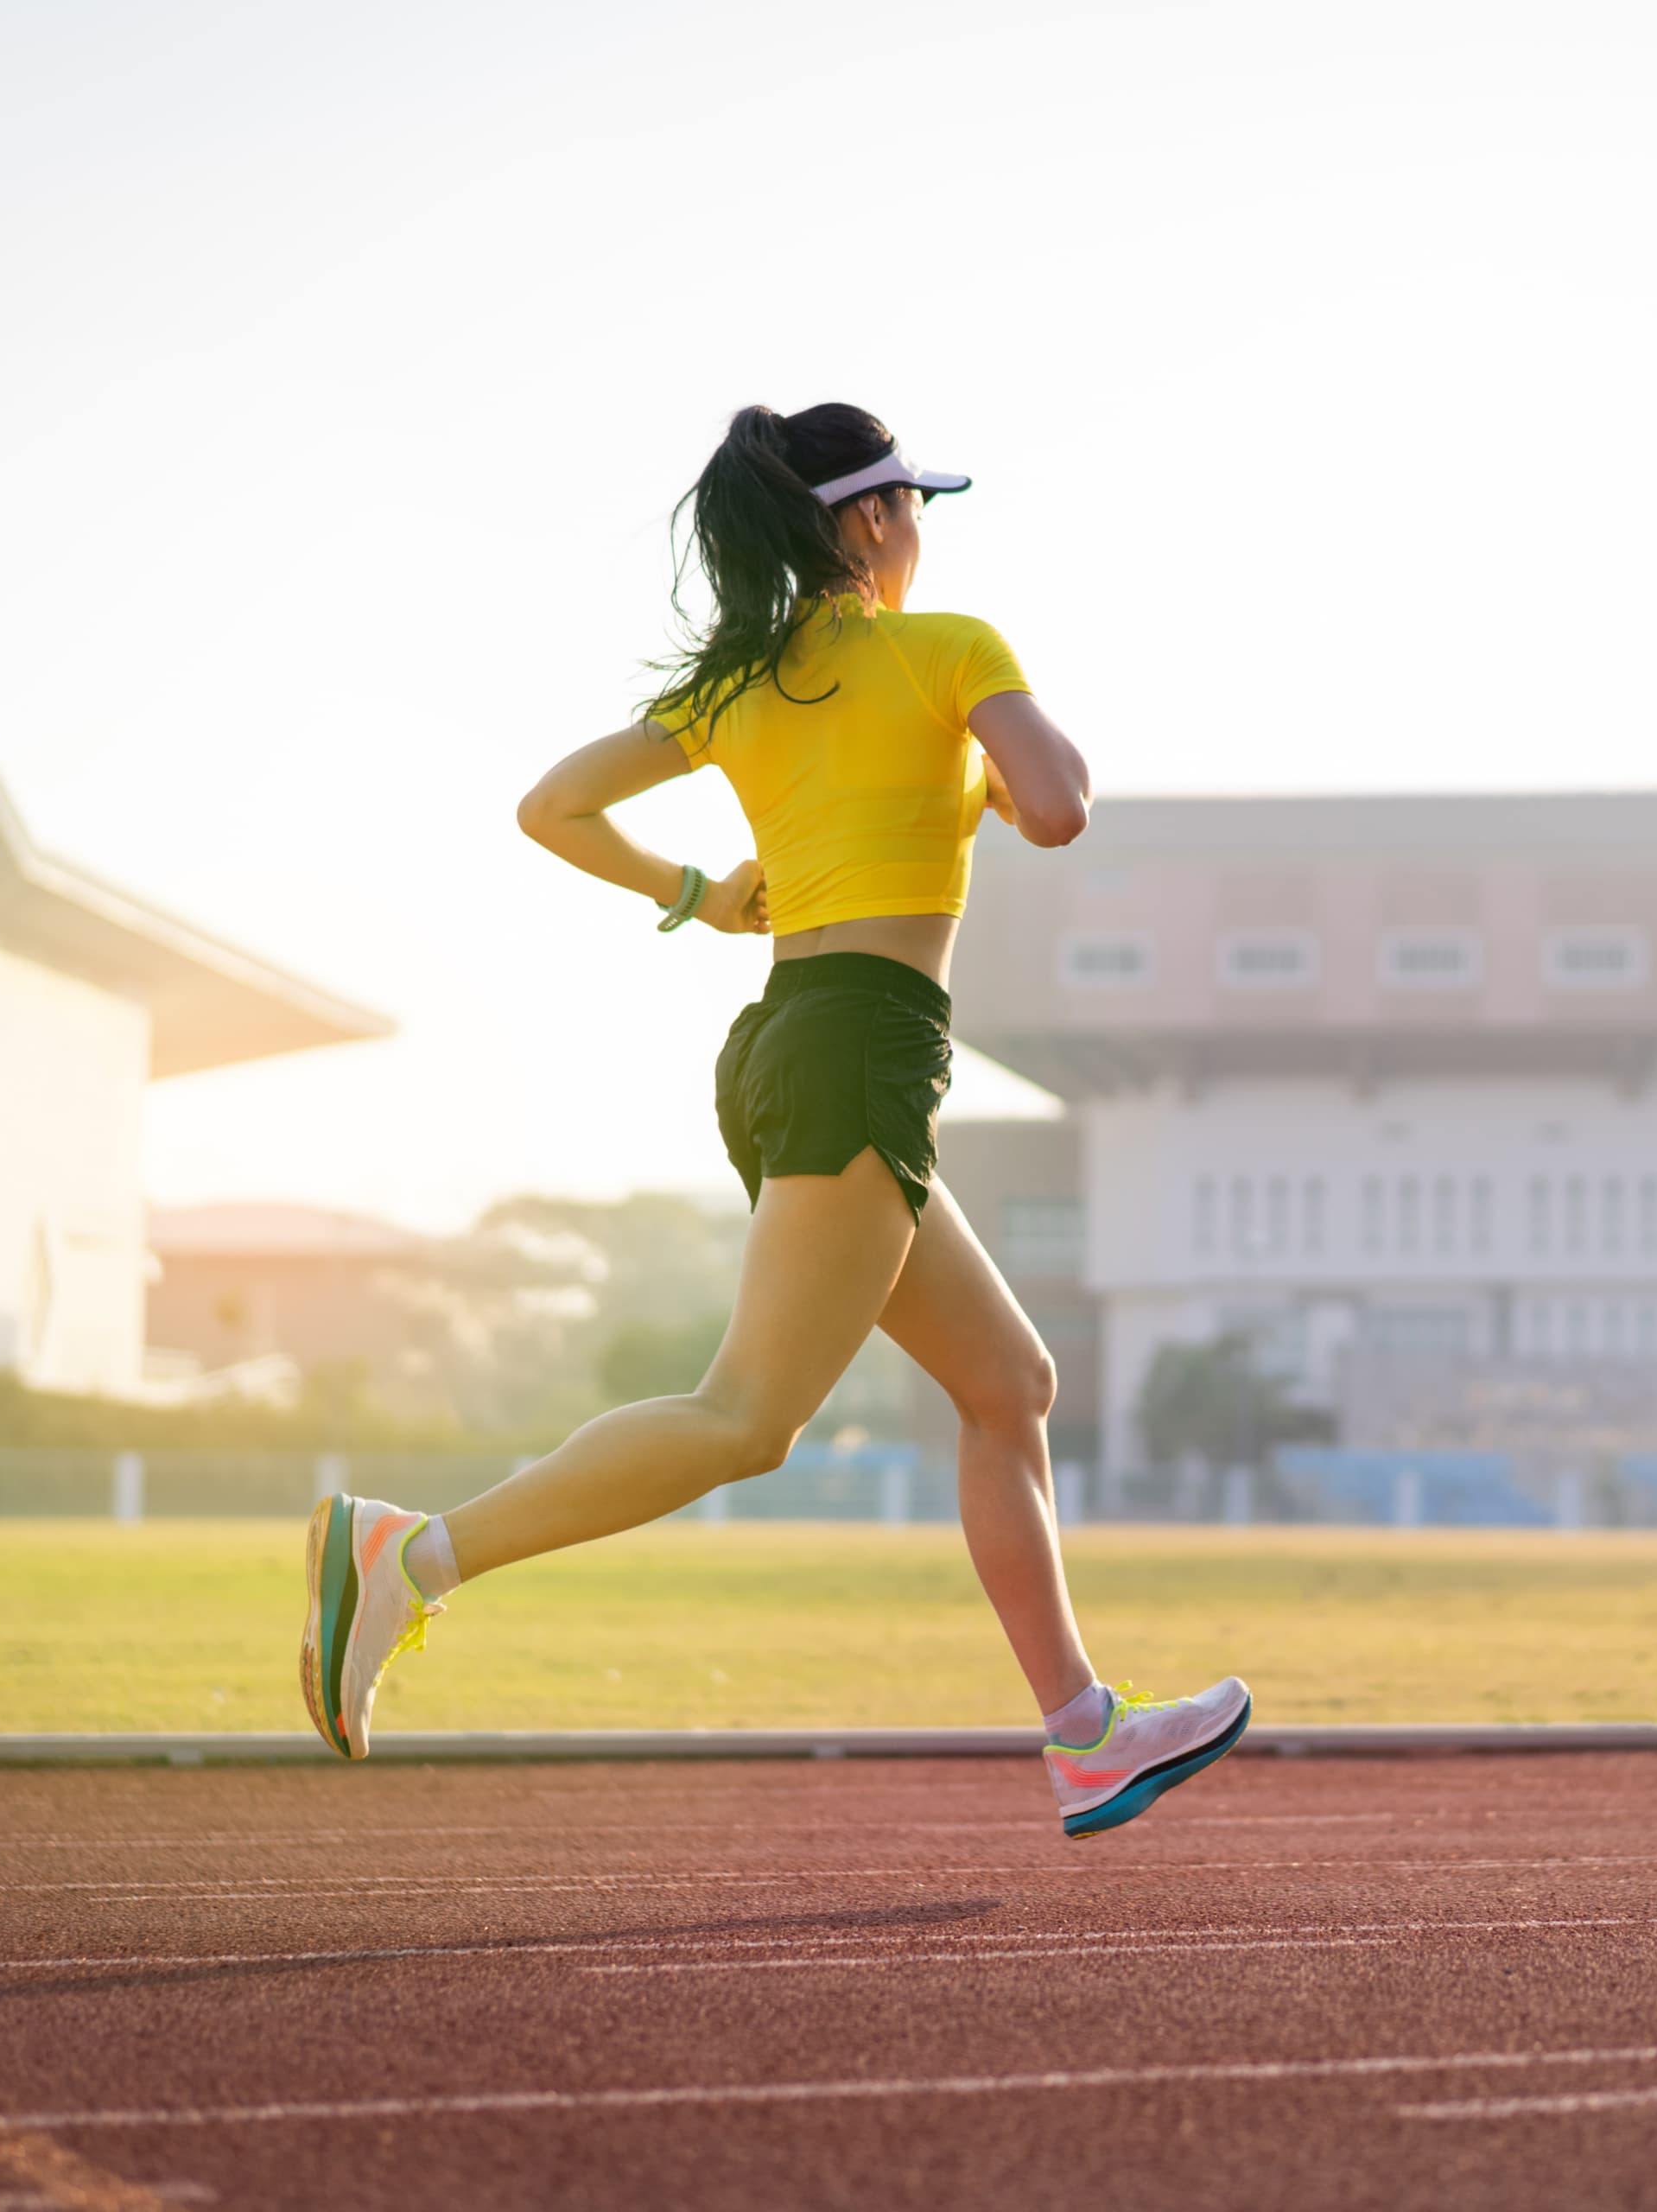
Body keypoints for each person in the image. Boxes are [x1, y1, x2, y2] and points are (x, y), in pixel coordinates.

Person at [298, 403, 1249, 1837]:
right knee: (747, 1420)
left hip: (789, 1047)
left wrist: (696, 893)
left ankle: (1083, 1734)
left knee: (1011, 1386)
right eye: (912, 507)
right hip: (863, 1046)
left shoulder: (744, 683)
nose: (923, 533)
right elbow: (1058, 808)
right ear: (869, 522)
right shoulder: (952, 651)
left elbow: (552, 807)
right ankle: (410, 1557)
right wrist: (986, 764)